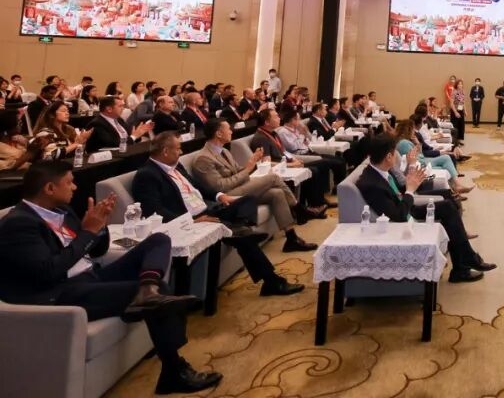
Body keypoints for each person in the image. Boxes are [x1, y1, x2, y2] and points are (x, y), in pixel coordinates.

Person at [0, 161, 220, 394]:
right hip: (60, 292)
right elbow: (48, 272)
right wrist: (88, 232)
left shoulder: (62, 211)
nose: (75, 187)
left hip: (90, 276)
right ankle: (174, 372)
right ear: (49, 188)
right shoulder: (19, 224)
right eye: (69, 182)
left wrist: (101, 226)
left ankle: (147, 289)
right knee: (161, 291)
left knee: (159, 241)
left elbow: (97, 251)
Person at [132, 132, 304, 296]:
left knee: (247, 200)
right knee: (244, 239)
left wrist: (220, 196)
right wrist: (193, 220)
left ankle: (240, 230)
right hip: (191, 220)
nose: (181, 152)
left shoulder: (176, 166)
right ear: (165, 151)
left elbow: (197, 187)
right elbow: (155, 211)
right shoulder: (147, 175)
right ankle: (270, 278)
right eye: (178, 149)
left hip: (209, 209)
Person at [358, 134, 494, 283]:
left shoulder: (381, 171)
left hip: (405, 206)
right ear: (389, 157)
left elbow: (400, 188)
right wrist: (410, 190)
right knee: (448, 208)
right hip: (403, 219)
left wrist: (412, 178)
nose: (397, 157)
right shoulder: (372, 185)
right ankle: (465, 263)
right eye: (394, 153)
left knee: (448, 204)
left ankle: (464, 264)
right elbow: (399, 216)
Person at [190, 119, 317, 252]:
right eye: (228, 129)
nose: (231, 131)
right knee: (273, 178)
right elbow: (220, 187)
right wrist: (248, 169)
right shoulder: (203, 158)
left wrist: (252, 161)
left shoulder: (224, 151)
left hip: (238, 187)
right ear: (219, 134)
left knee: (277, 193)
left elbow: (239, 171)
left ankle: (291, 238)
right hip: (226, 196)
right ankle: (299, 209)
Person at [250, 108, 332, 218]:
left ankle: (317, 203)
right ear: (267, 122)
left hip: (286, 163)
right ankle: (312, 207)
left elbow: (284, 151)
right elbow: (267, 163)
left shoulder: (273, 133)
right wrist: (291, 165)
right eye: (276, 116)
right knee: (313, 170)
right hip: (280, 169)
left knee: (320, 165)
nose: (279, 118)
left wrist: (294, 160)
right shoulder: (261, 138)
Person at [85, 96, 153, 154]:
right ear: (109, 109)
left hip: (125, 152)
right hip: (107, 158)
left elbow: (130, 137)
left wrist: (138, 134)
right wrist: (134, 136)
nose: (123, 108)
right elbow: (113, 144)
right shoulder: (97, 124)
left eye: (123, 106)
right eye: (120, 106)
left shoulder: (119, 119)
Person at [449, 79, 467, 144]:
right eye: (459, 84)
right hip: (455, 111)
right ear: (456, 85)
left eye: (461, 84)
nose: (460, 85)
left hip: (461, 110)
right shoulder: (454, 92)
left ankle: (459, 140)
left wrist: (465, 110)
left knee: (461, 126)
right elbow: (451, 103)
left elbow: (463, 102)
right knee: (455, 126)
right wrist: (455, 112)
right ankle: (454, 141)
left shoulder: (463, 92)